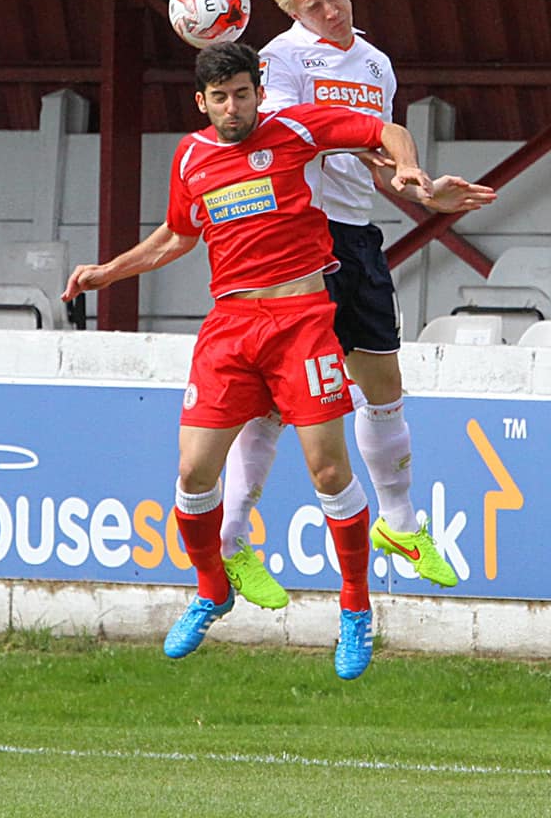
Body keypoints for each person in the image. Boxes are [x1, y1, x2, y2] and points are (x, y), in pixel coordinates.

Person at [62, 40, 440, 680]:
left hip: (302, 322)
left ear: (259, 93)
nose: (233, 107)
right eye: (221, 97)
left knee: (328, 471)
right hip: (231, 327)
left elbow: (385, 129)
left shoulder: (294, 129)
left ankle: (355, 608)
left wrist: (406, 168)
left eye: (242, 94)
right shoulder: (191, 156)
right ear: (201, 101)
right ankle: (212, 588)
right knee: (193, 471)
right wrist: (109, 272)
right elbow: (178, 235)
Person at [220, 0, 496, 606]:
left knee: (383, 385)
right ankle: (230, 540)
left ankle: (399, 524)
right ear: (294, 12)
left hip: (356, 236)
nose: (330, 10)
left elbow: (373, 157)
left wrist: (419, 187)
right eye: (312, 5)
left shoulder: (376, 64)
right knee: (273, 400)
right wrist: (378, 146)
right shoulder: (282, 60)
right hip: (298, 236)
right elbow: (293, 137)